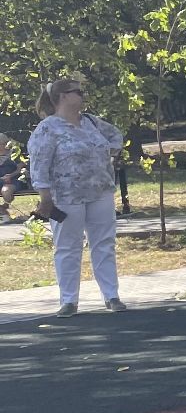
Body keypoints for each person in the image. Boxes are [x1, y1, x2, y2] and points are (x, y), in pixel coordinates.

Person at [27, 80, 125, 317]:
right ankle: (69, 300)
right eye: (77, 92)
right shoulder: (48, 128)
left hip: (100, 191)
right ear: (61, 96)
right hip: (66, 196)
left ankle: (111, 296)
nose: (82, 96)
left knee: (104, 243)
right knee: (68, 247)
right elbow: (39, 164)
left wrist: (106, 156)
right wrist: (45, 197)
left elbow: (115, 136)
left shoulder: (91, 122)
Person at [0, 133, 23, 223]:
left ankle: (4, 207)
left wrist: (11, 175)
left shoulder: (14, 154)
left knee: (6, 191)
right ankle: (3, 214)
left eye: (0, 144)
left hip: (12, 181)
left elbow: (21, 167)